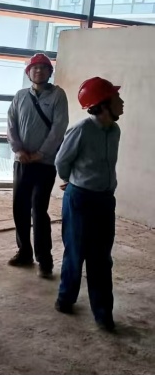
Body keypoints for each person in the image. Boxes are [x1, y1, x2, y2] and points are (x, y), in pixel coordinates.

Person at [54, 77, 123, 332]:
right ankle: (65, 299)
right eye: (116, 98)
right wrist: (71, 181)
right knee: (76, 251)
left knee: (102, 258)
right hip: (80, 199)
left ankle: (103, 313)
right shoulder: (81, 129)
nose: (121, 102)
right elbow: (62, 161)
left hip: (105, 200)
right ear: (103, 104)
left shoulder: (114, 131)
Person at [7, 52, 68, 278]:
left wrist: (41, 153)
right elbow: (11, 123)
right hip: (22, 162)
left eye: (43, 67)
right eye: (35, 68)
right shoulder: (20, 95)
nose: (39, 71)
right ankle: (24, 252)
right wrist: (18, 150)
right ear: (28, 72)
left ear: (50, 72)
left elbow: (59, 128)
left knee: (39, 210)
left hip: (45, 163)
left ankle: (45, 259)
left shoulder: (58, 95)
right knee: (19, 207)